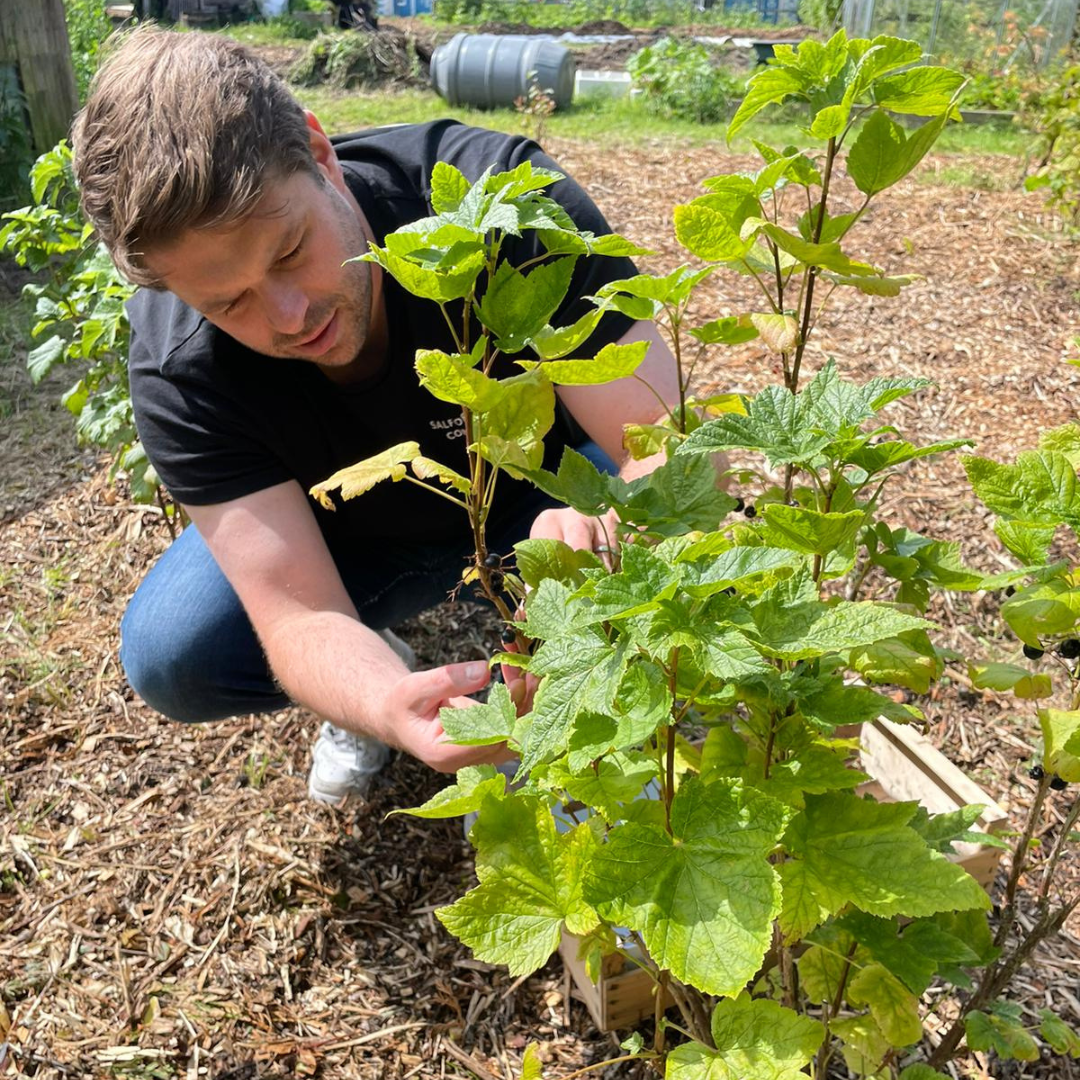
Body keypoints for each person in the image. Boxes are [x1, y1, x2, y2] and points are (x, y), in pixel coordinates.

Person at [71, 25, 680, 805]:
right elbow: (295, 616)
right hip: (353, 531)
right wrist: (381, 702)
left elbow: (661, 453)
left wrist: (613, 534)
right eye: (228, 303)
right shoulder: (178, 366)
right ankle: (378, 664)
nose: (288, 318)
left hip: (547, 479)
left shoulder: (500, 206)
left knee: (652, 532)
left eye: (289, 252)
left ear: (321, 153)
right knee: (175, 652)